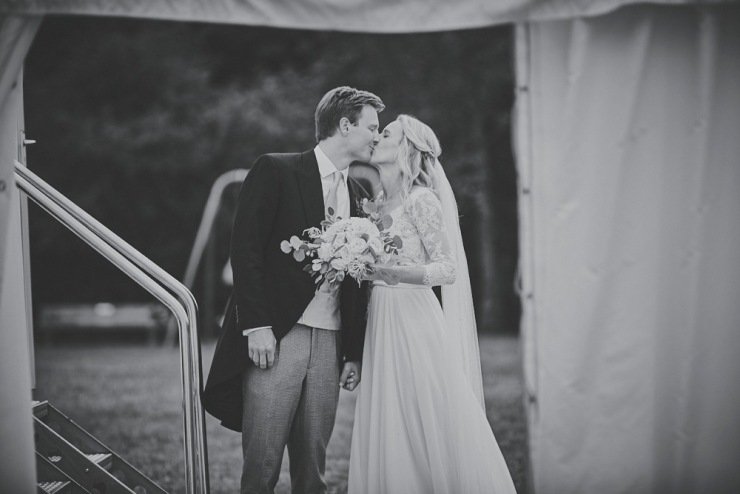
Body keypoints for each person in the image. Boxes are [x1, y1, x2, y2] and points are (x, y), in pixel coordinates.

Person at [202, 86, 384, 494]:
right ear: (344, 125)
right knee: (262, 463)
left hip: (330, 340)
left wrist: (353, 351)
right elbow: (245, 250)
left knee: (313, 467)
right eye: (372, 127)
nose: (377, 135)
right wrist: (256, 325)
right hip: (279, 335)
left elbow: (357, 283)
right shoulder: (277, 170)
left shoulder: (358, 194)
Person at [347, 115, 517, 493]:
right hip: (380, 317)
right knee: (389, 413)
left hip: (413, 316)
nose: (376, 138)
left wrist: (395, 273)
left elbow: (447, 268)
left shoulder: (420, 200)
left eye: (385, 133)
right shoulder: (375, 203)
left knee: (425, 408)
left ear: (406, 147)